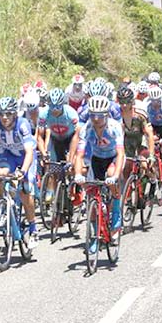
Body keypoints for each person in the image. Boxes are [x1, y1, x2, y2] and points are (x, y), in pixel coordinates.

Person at [0, 96, 39, 250]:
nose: (4, 118)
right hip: (9, 154)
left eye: (8, 114)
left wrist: (23, 171)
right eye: (2, 114)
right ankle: (5, 204)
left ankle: (33, 228)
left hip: (25, 157)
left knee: (26, 190)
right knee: (0, 174)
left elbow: (29, 153)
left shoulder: (22, 124)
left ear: (15, 114)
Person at [72, 96, 126, 246]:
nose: (96, 119)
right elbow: (80, 154)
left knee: (110, 176)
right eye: (92, 115)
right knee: (91, 198)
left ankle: (116, 211)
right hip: (97, 159)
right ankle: (95, 237)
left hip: (113, 158)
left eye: (100, 115)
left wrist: (115, 176)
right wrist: (77, 174)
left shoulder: (114, 127)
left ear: (106, 114)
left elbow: (121, 153)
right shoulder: (87, 128)